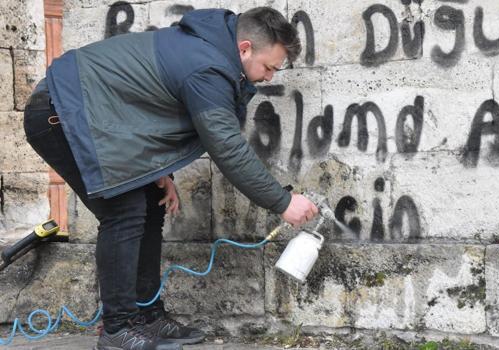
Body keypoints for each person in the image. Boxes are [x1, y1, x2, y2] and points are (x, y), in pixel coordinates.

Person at [23, 7, 318, 350]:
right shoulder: (208, 66)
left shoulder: (210, 52)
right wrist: (282, 202)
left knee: (150, 201)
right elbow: (227, 148)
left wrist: (158, 170)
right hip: (60, 112)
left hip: (98, 116)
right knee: (124, 209)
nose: (268, 78)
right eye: (269, 67)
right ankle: (117, 328)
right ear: (245, 49)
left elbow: (143, 99)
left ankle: (146, 315)